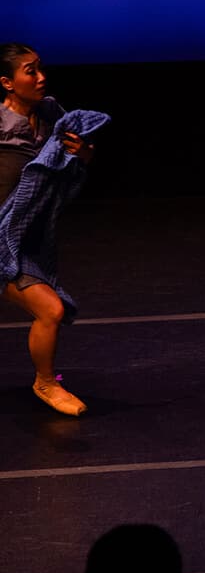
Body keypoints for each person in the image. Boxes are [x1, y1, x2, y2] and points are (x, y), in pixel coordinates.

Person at [0, 43, 103, 416]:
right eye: (30, 71)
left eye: (40, 68)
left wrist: (81, 155)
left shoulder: (50, 119)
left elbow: (63, 172)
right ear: (7, 82)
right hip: (1, 239)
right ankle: (46, 382)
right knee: (50, 308)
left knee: (50, 310)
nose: (41, 77)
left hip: (23, 238)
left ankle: (45, 382)